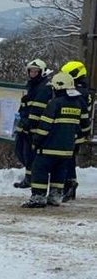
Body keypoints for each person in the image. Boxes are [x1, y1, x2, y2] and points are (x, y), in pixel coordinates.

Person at [22, 72, 82, 208]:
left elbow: (44, 126)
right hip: (67, 150)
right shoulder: (77, 105)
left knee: (39, 169)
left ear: (58, 87)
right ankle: (55, 196)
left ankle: (38, 197)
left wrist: (36, 141)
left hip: (49, 148)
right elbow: (78, 128)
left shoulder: (55, 104)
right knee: (59, 172)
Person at [12, 59, 50, 188]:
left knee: (30, 154)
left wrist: (29, 124)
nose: (33, 73)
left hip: (34, 128)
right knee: (20, 151)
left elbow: (37, 109)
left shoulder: (44, 87)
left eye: (36, 71)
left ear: (42, 72)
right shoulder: (33, 85)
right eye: (31, 71)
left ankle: (31, 179)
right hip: (26, 125)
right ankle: (30, 177)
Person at [59, 61, 92, 201]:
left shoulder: (78, 92)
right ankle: (69, 186)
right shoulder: (84, 91)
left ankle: (69, 185)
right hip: (77, 132)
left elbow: (82, 114)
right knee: (69, 158)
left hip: (72, 131)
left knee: (67, 159)